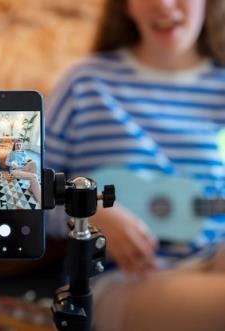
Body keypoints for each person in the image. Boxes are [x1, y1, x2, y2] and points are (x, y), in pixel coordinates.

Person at [46, 0, 225, 330]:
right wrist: (85, 214)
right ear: (125, 6)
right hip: (120, 282)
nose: (164, 4)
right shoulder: (85, 83)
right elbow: (19, 193)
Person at [5, 138, 41, 205]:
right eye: (17, 145)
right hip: (15, 170)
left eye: (20, 145)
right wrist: (12, 163)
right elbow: (6, 162)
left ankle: (31, 187)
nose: (18, 146)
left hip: (24, 168)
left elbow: (28, 160)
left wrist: (29, 160)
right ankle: (42, 201)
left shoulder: (24, 153)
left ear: (22, 146)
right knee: (34, 176)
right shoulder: (11, 153)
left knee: (34, 163)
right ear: (14, 146)